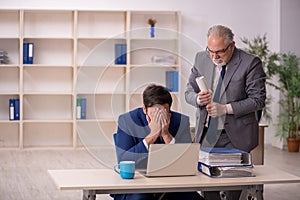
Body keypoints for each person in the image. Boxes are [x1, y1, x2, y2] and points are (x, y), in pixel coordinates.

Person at [185, 25, 266, 200]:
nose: (214, 57)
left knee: (233, 187)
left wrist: (225, 109)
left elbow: (258, 100)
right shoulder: (201, 58)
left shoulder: (250, 63)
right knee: (207, 184)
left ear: (232, 46)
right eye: (211, 51)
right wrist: (199, 99)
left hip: (236, 134)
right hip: (207, 133)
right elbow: (188, 93)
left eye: (220, 52)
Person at [113, 84, 204, 200]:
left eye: (163, 112)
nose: (159, 117)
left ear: (169, 111)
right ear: (144, 109)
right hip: (137, 183)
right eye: (155, 113)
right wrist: (152, 136)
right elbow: (123, 160)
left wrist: (166, 135)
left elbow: (186, 161)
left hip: (172, 182)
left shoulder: (181, 121)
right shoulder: (127, 121)